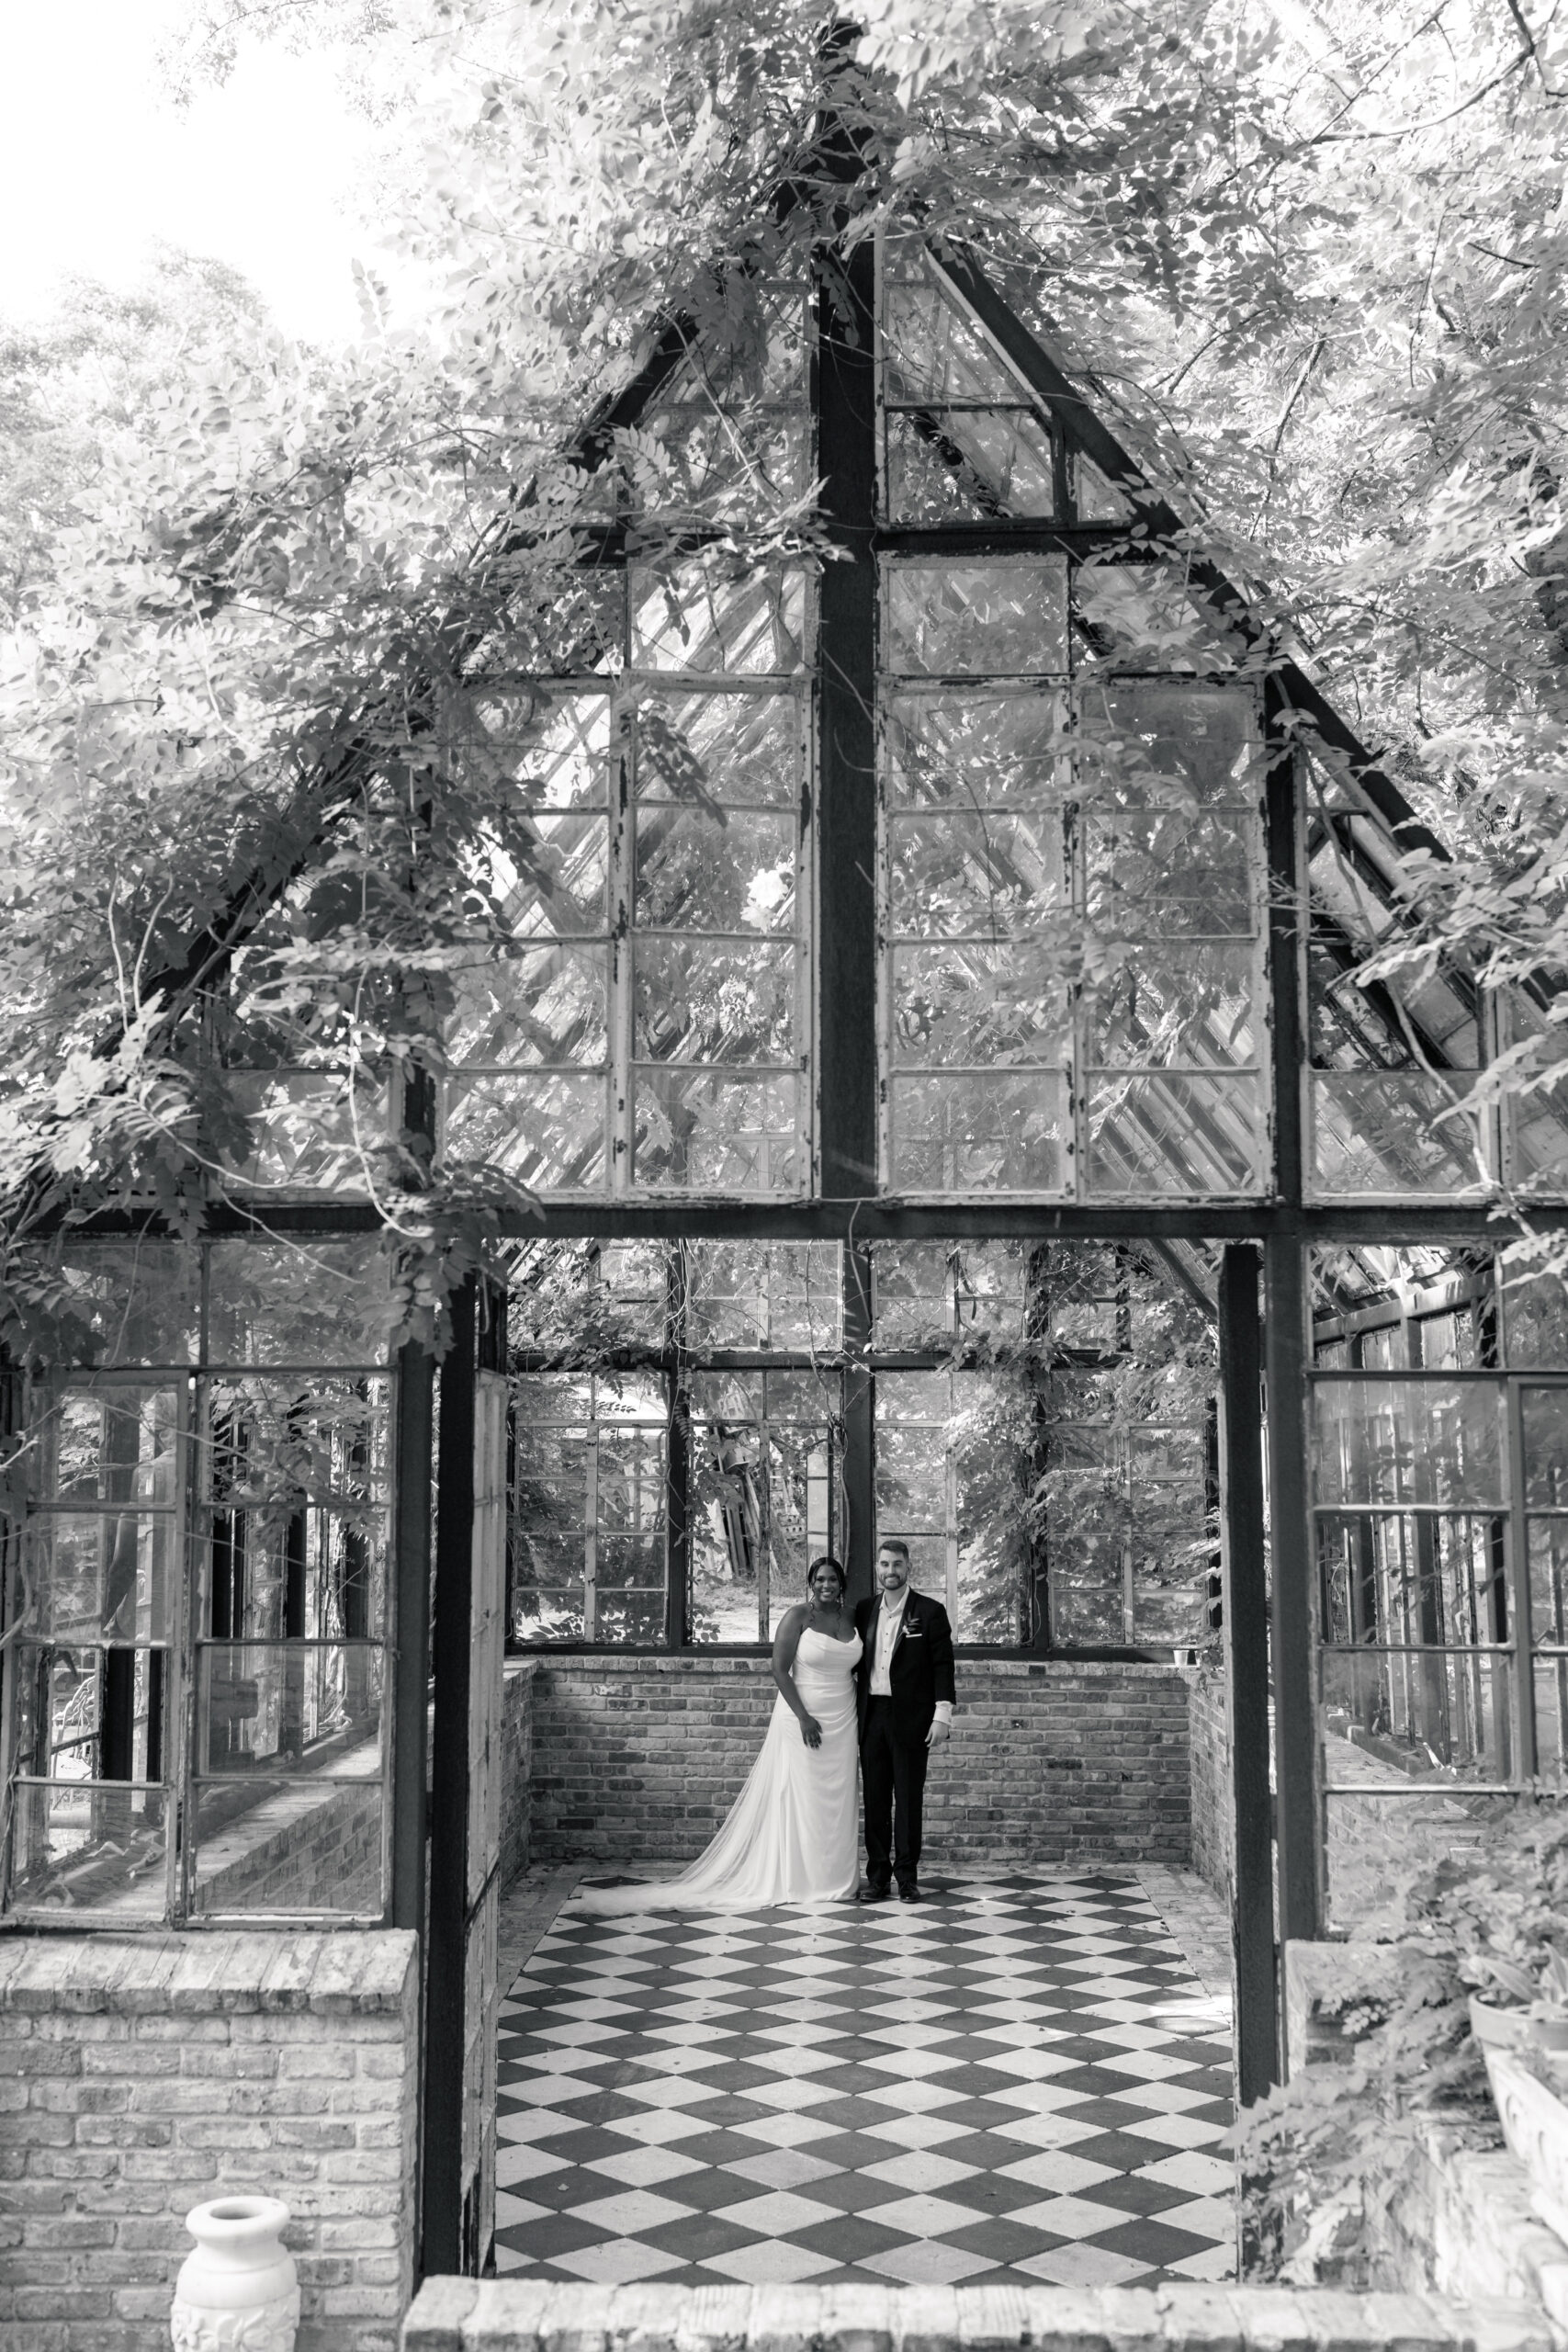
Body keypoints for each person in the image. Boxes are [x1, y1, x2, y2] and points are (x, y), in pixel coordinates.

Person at [574, 1555, 862, 1911]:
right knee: (802, 1800)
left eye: (832, 1579)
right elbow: (779, 1670)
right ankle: (802, 1880)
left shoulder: (851, 1617)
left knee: (838, 1802)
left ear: (841, 1583)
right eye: (820, 1579)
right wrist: (803, 1716)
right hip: (803, 1719)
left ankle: (837, 1879)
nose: (826, 1585)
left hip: (843, 1720)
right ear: (810, 1582)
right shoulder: (797, 1617)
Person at [853, 1540, 956, 1904]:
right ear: (878, 1568)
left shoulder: (929, 1612)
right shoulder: (864, 1609)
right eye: (884, 1564)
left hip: (912, 1718)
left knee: (909, 1799)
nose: (890, 1571)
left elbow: (943, 1665)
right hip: (872, 1717)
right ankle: (878, 1877)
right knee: (876, 1799)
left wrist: (941, 1715)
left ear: (908, 1567)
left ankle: (908, 1878)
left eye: (897, 1564)